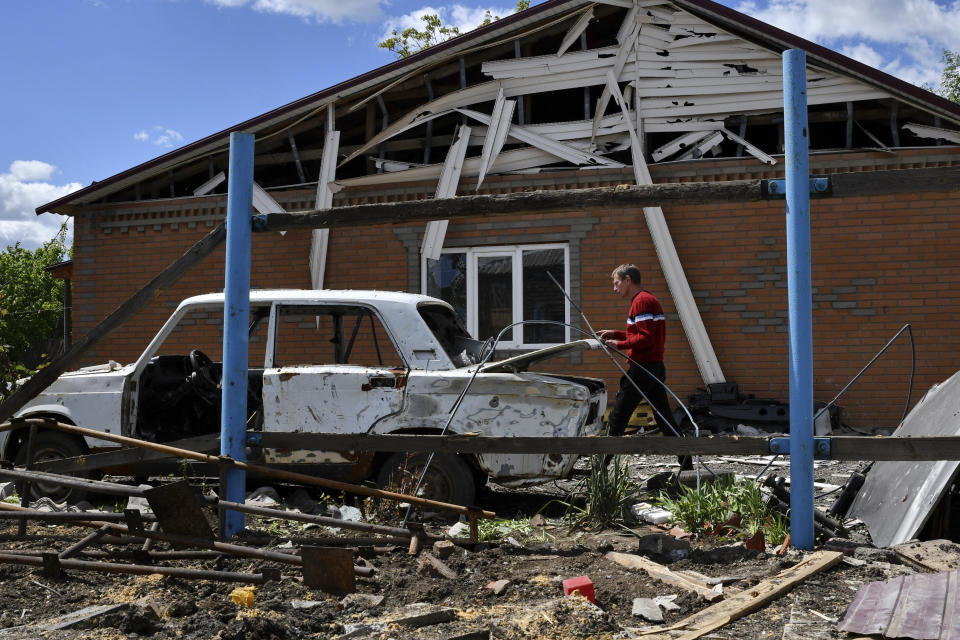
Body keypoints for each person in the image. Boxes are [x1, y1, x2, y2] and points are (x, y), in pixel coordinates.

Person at [597, 264, 692, 471]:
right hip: (654, 367)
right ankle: (686, 464)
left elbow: (645, 339)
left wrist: (619, 345)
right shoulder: (647, 300)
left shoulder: (640, 302)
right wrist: (616, 333)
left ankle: (600, 469)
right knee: (664, 417)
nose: (615, 289)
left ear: (628, 280)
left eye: (616, 283)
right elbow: (642, 334)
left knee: (618, 416)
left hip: (642, 369)